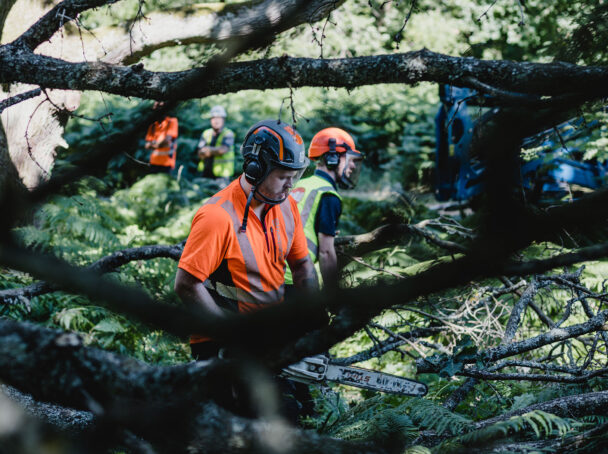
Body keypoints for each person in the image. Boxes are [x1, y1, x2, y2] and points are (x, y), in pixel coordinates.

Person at [175, 119, 318, 361]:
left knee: (302, 400)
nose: (290, 185)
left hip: (268, 337)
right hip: (220, 346)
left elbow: (302, 267)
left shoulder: (287, 206)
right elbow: (186, 285)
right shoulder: (218, 216)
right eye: (283, 176)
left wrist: (314, 323)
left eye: (294, 175)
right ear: (256, 169)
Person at [285, 127, 364, 288]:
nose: (353, 166)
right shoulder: (328, 195)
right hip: (294, 276)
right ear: (332, 157)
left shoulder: (301, 184)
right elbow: (326, 253)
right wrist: (332, 294)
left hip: (273, 268)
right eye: (349, 159)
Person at [196, 105, 236, 179]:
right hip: (204, 174)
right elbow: (199, 154)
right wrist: (215, 151)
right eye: (214, 118)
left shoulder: (228, 134)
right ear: (210, 120)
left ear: (223, 119)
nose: (216, 121)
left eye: (219, 118)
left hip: (222, 177)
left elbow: (222, 150)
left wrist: (207, 150)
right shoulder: (206, 133)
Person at [145, 101, 178, 173]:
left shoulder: (172, 121)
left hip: (167, 163)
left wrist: (153, 145)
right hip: (153, 162)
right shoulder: (153, 125)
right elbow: (147, 145)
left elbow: (167, 140)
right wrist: (159, 145)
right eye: (156, 108)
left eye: (160, 107)